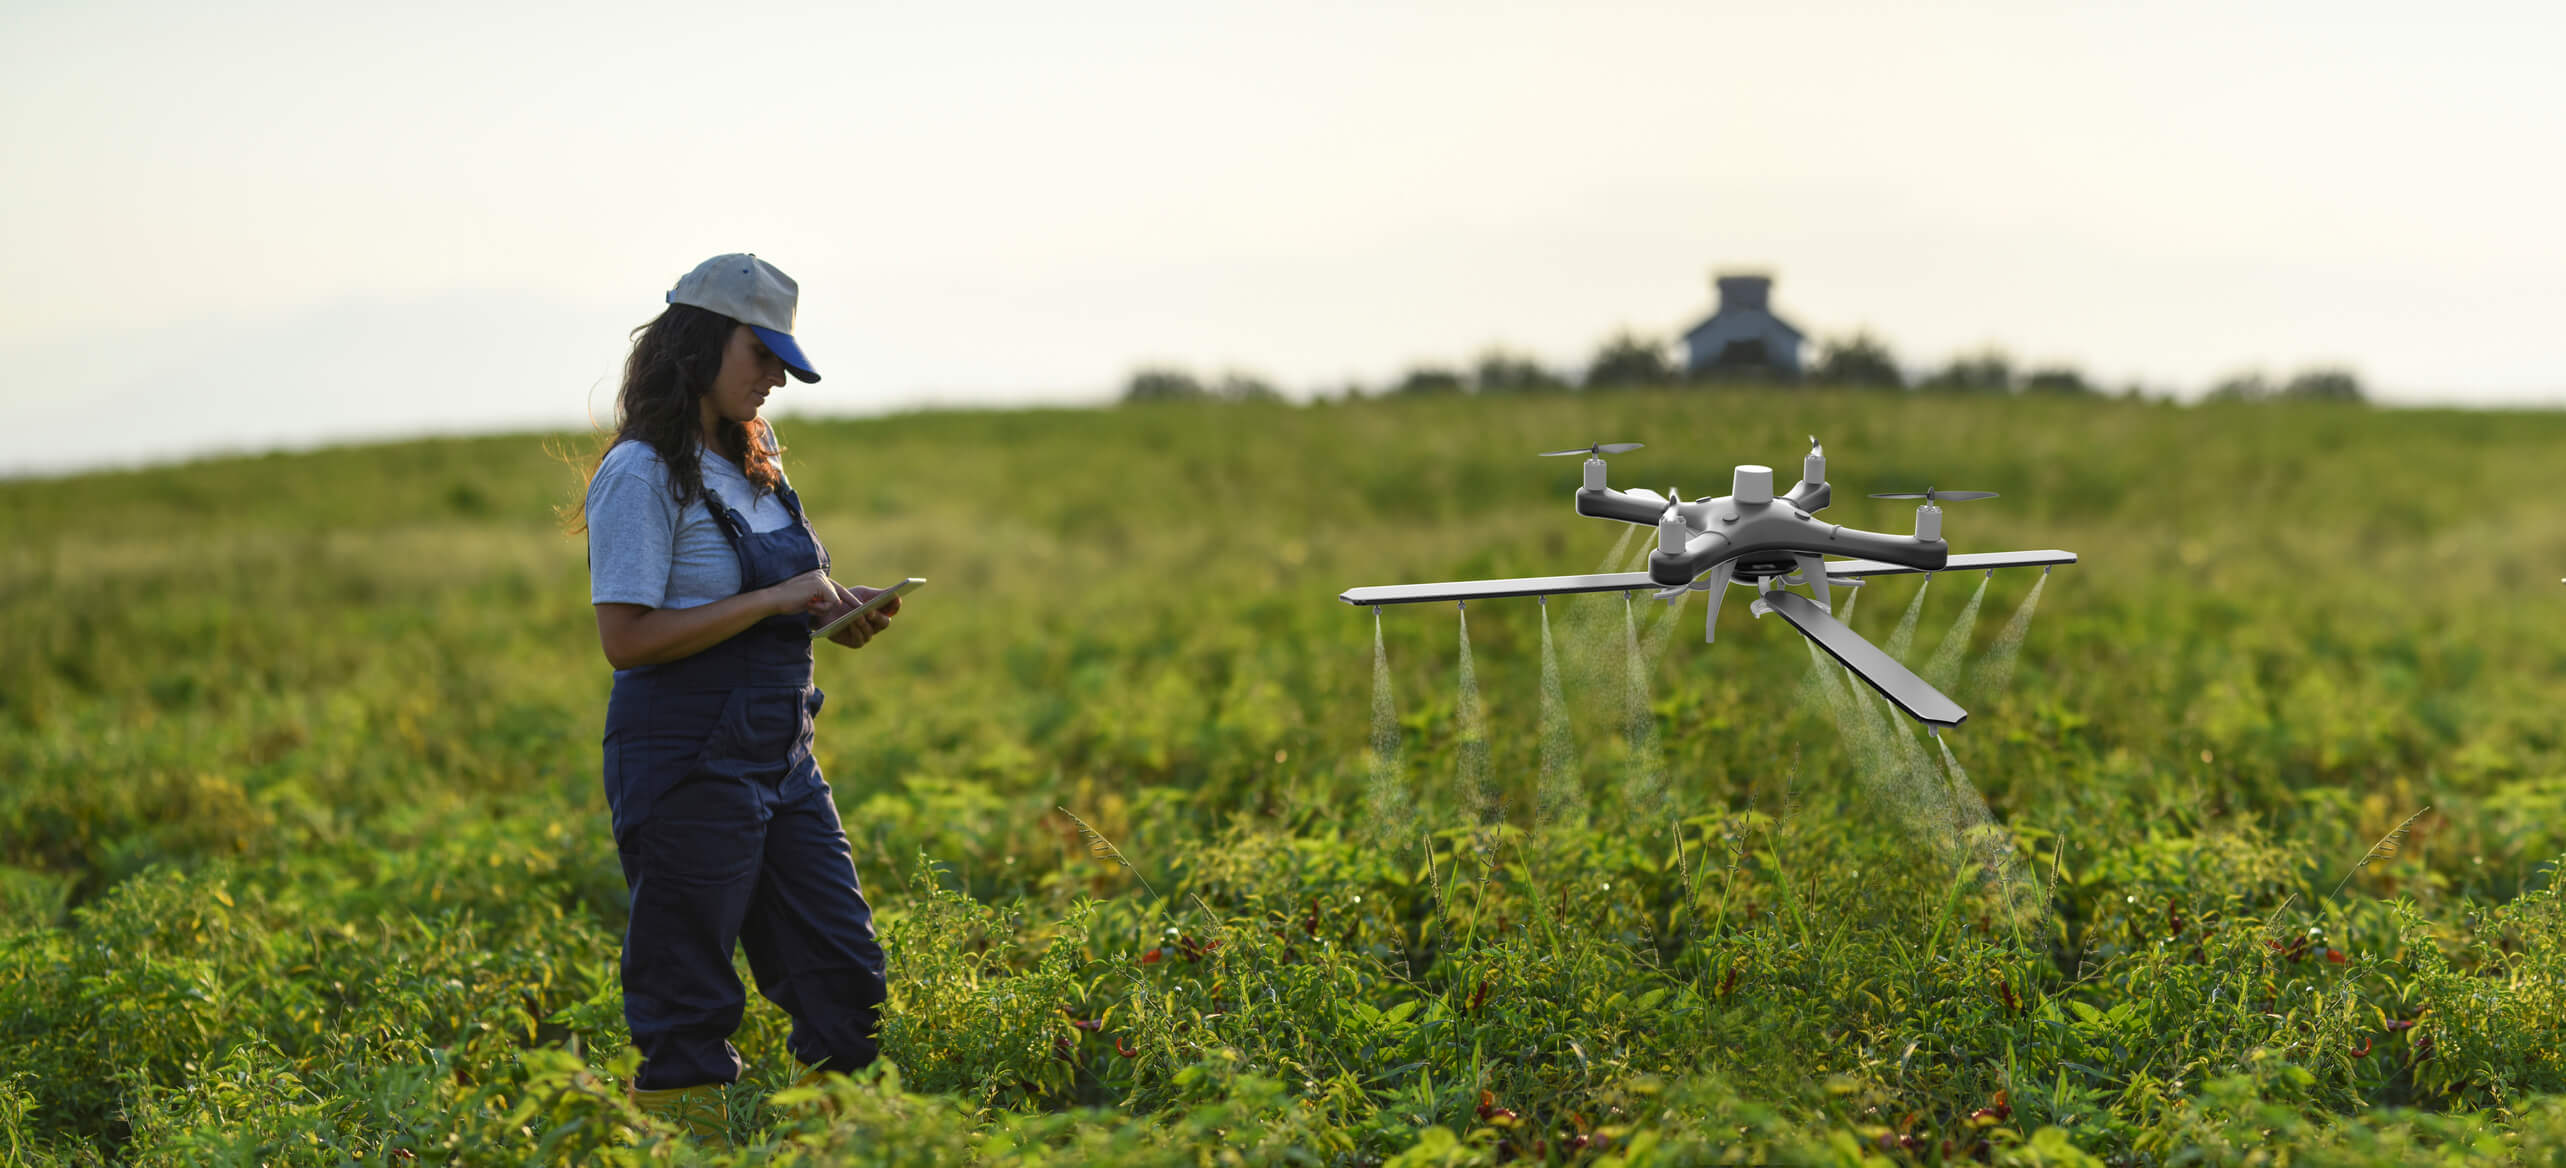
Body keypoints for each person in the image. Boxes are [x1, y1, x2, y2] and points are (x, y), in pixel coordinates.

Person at [571, 253, 898, 1136]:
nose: (773, 381)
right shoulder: (642, 472)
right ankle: (689, 1151)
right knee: (687, 998)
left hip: (781, 754)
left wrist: (836, 605)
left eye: (783, 363)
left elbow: (777, 600)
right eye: (761, 356)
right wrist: (777, 599)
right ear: (700, 344)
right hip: (683, 757)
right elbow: (626, 640)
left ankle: (839, 1148)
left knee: (843, 975)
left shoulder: (756, 463)